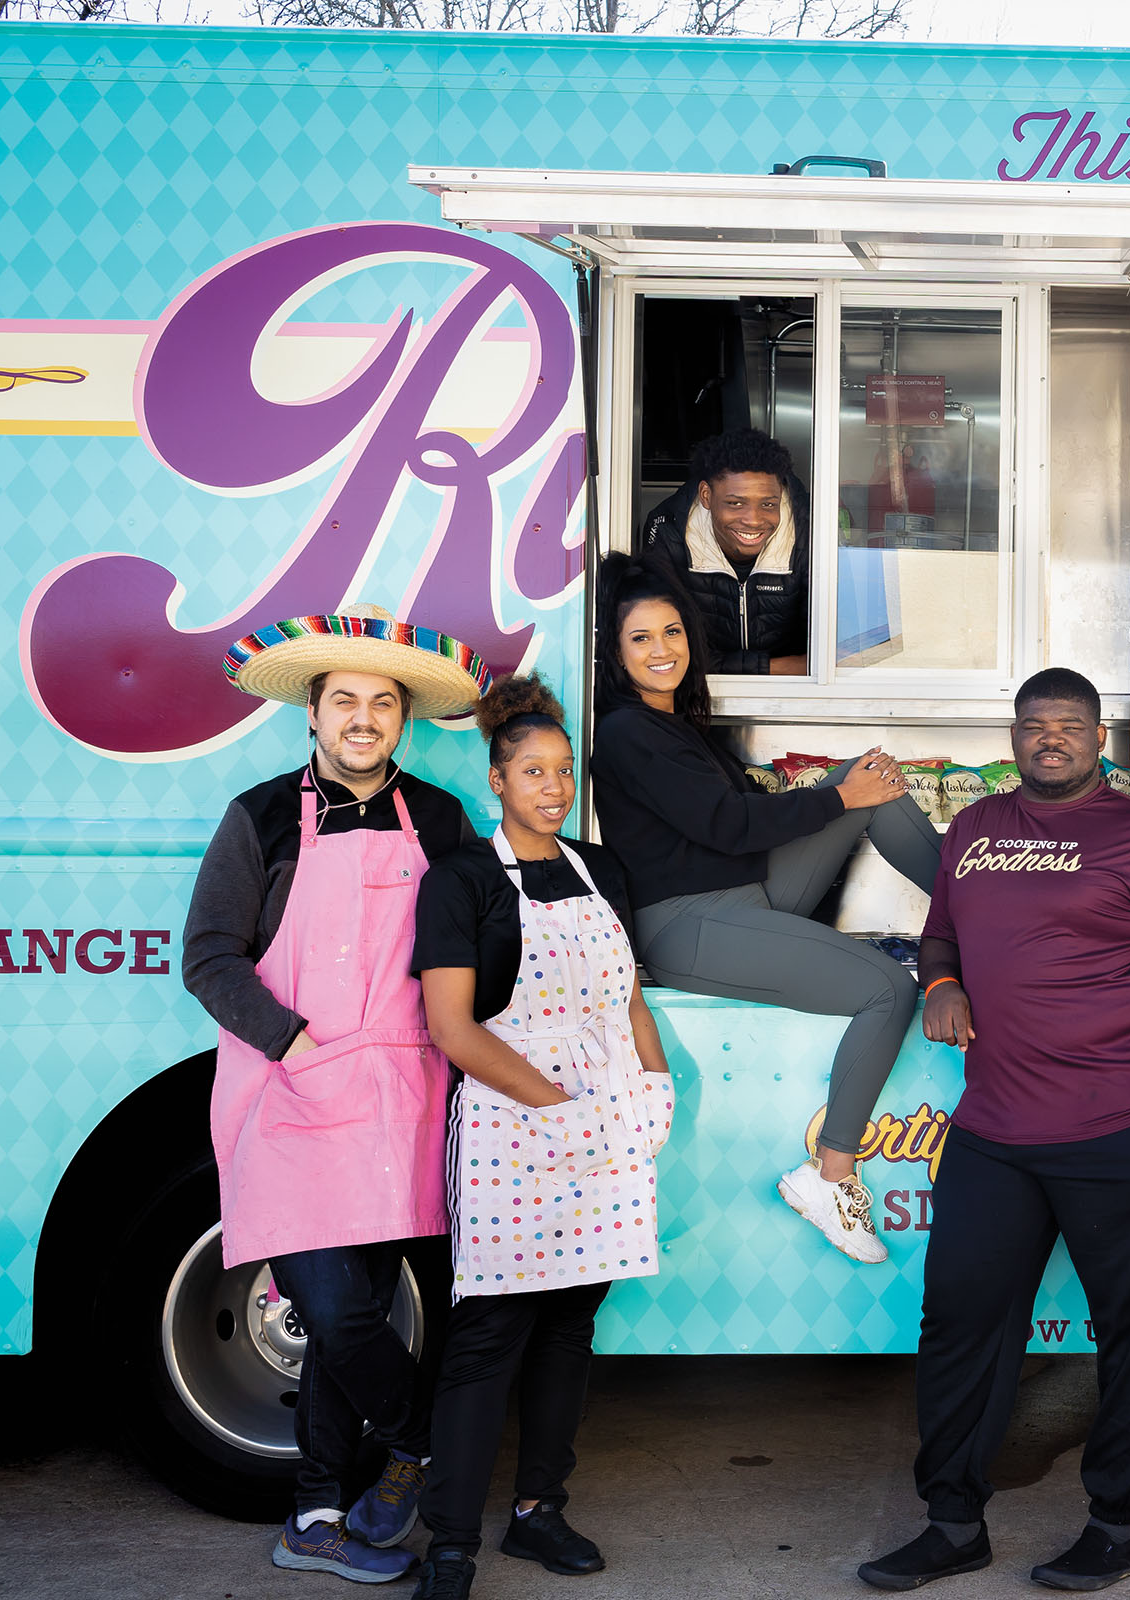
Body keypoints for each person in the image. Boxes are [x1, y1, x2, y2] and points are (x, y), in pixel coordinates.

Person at [858, 668, 1130, 1594]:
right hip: (993, 1133)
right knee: (962, 1328)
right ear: (1013, 735)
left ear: (1100, 739)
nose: (1049, 738)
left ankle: (1118, 1523)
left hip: (1119, 1130)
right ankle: (951, 1521)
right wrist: (939, 984)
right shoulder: (974, 831)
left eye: (1069, 725)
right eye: (1033, 725)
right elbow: (941, 939)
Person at [184, 605, 489, 1584]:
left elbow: (473, 947)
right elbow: (209, 958)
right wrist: (294, 1036)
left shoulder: (439, 822)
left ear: (404, 720)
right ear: (312, 714)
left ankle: (314, 1513)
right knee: (337, 1306)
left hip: (400, 1097)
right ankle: (429, 1442)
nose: (364, 717)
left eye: (384, 703)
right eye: (345, 700)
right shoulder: (261, 815)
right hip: (292, 1094)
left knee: (343, 1316)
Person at [406, 674, 676, 1600]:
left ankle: (539, 1511)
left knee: (569, 1329)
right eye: (533, 771)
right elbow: (453, 1027)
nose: (553, 787)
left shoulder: (604, 870)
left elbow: (627, 993)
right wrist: (557, 1104)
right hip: (509, 1126)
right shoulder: (463, 880)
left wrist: (653, 1082)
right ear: (497, 779)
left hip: (603, 1123)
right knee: (488, 1335)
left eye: (563, 771)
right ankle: (449, 1542)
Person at [587, 552, 938, 1263]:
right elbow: (726, 824)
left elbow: (740, 820)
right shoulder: (628, 734)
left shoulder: (676, 723)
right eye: (641, 639)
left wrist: (844, 791)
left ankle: (984, 908)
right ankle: (829, 1175)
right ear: (616, 654)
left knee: (871, 777)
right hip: (689, 925)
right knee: (887, 988)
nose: (662, 650)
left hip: (745, 892)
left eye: (672, 633)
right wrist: (838, 799)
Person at [641, 426, 810, 676]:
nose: (753, 520)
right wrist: (776, 667)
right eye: (735, 503)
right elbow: (663, 655)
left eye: (768, 504)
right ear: (706, 496)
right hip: (700, 693)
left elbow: (834, 654)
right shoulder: (669, 533)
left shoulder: (809, 530)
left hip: (797, 696)